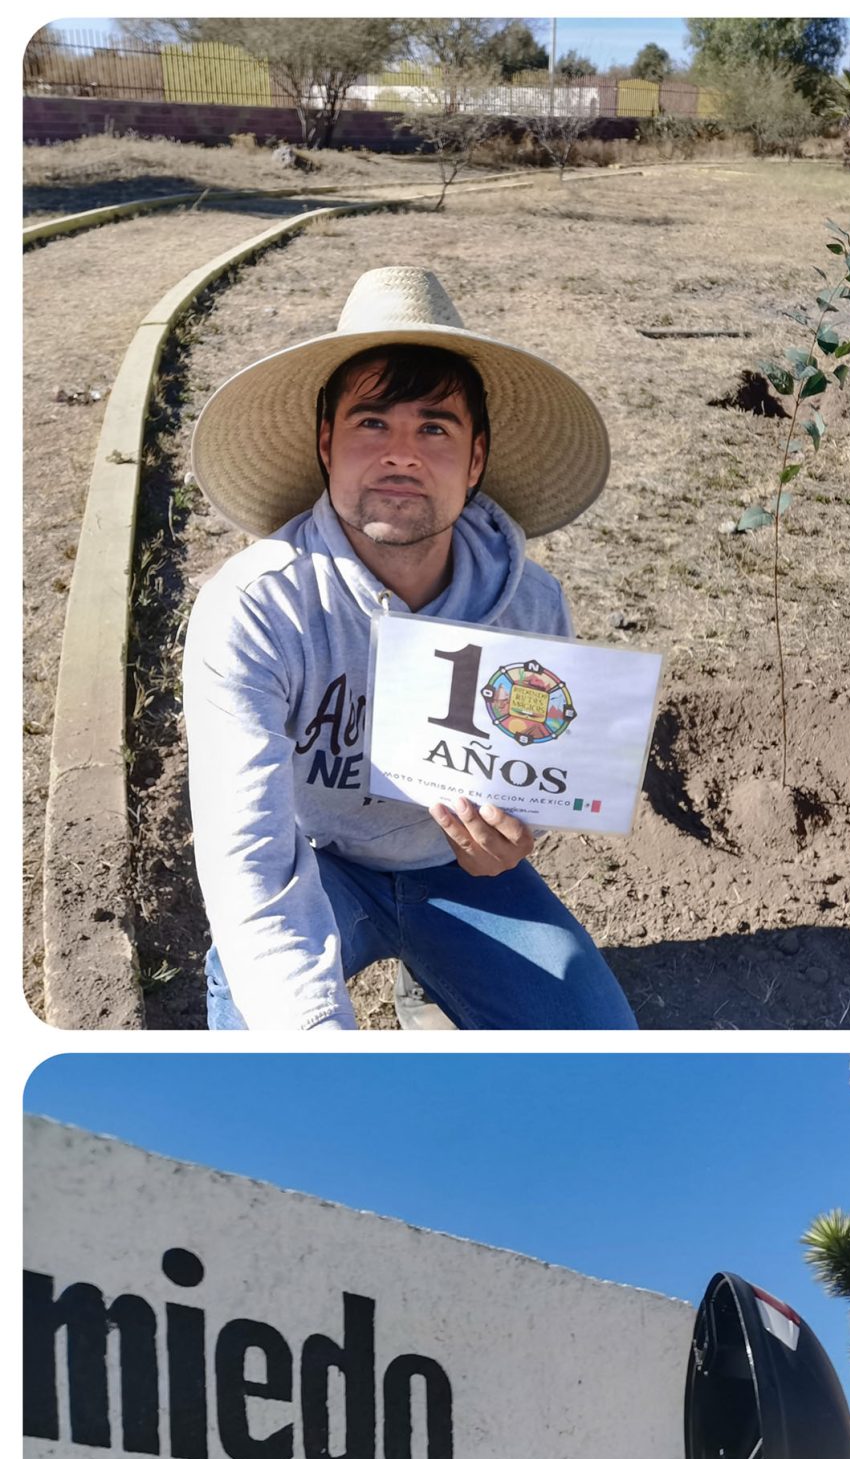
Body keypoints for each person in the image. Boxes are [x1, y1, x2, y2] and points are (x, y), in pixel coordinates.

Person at [184, 265, 639, 1033]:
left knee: (600, 1037)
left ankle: (431, 974)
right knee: (265, 1019)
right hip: (313, 865)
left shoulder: (530, 606)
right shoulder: (256, 606)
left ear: (477, 458)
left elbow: (540, 776)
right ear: (326, 444)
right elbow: (248, 865)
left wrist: (513, 838)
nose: (402, 454)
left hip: (458, 871)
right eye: (372, 423)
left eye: (434, 427)